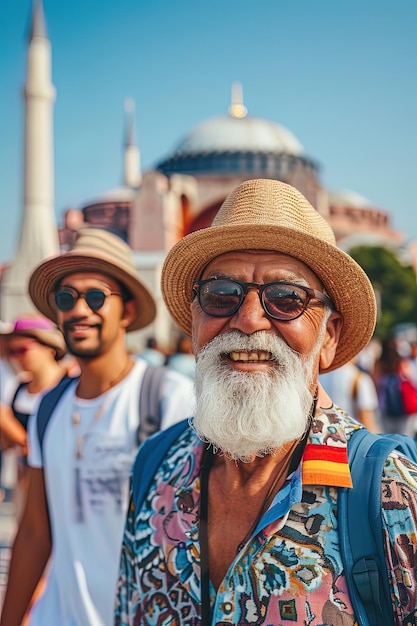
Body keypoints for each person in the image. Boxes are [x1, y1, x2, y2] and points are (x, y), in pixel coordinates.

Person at [115, 179, 417, 625]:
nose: (249, 320)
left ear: (328, 338)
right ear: (195, 323)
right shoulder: (156, 466)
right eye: (221, 295)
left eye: (286, 299)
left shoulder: (390, 491)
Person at [0, 227, 193, 626]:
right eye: (66, 298)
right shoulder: (49, 407)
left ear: (127, 311)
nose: (79, 310)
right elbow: (36, 530)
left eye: (96, 296)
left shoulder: (167, 400)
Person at [319, 357, 380, 432]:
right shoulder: (360, 378)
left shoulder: (320, 377)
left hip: (323, 437)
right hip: (350, 438)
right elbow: (367, 421)